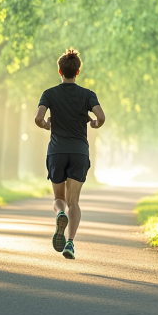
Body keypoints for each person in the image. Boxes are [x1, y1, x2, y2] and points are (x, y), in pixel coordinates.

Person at [34, 48, 105, 260]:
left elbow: (38, 118)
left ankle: (60, 214)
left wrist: (47, 125)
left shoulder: (49, 93)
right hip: (79, 153)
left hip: (56, 151)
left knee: (59, 198)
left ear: (59, 71)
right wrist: (94, 123)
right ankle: (70, 243)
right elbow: (101, 117)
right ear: (78, 71)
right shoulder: (87, 94)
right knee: (74, 201)